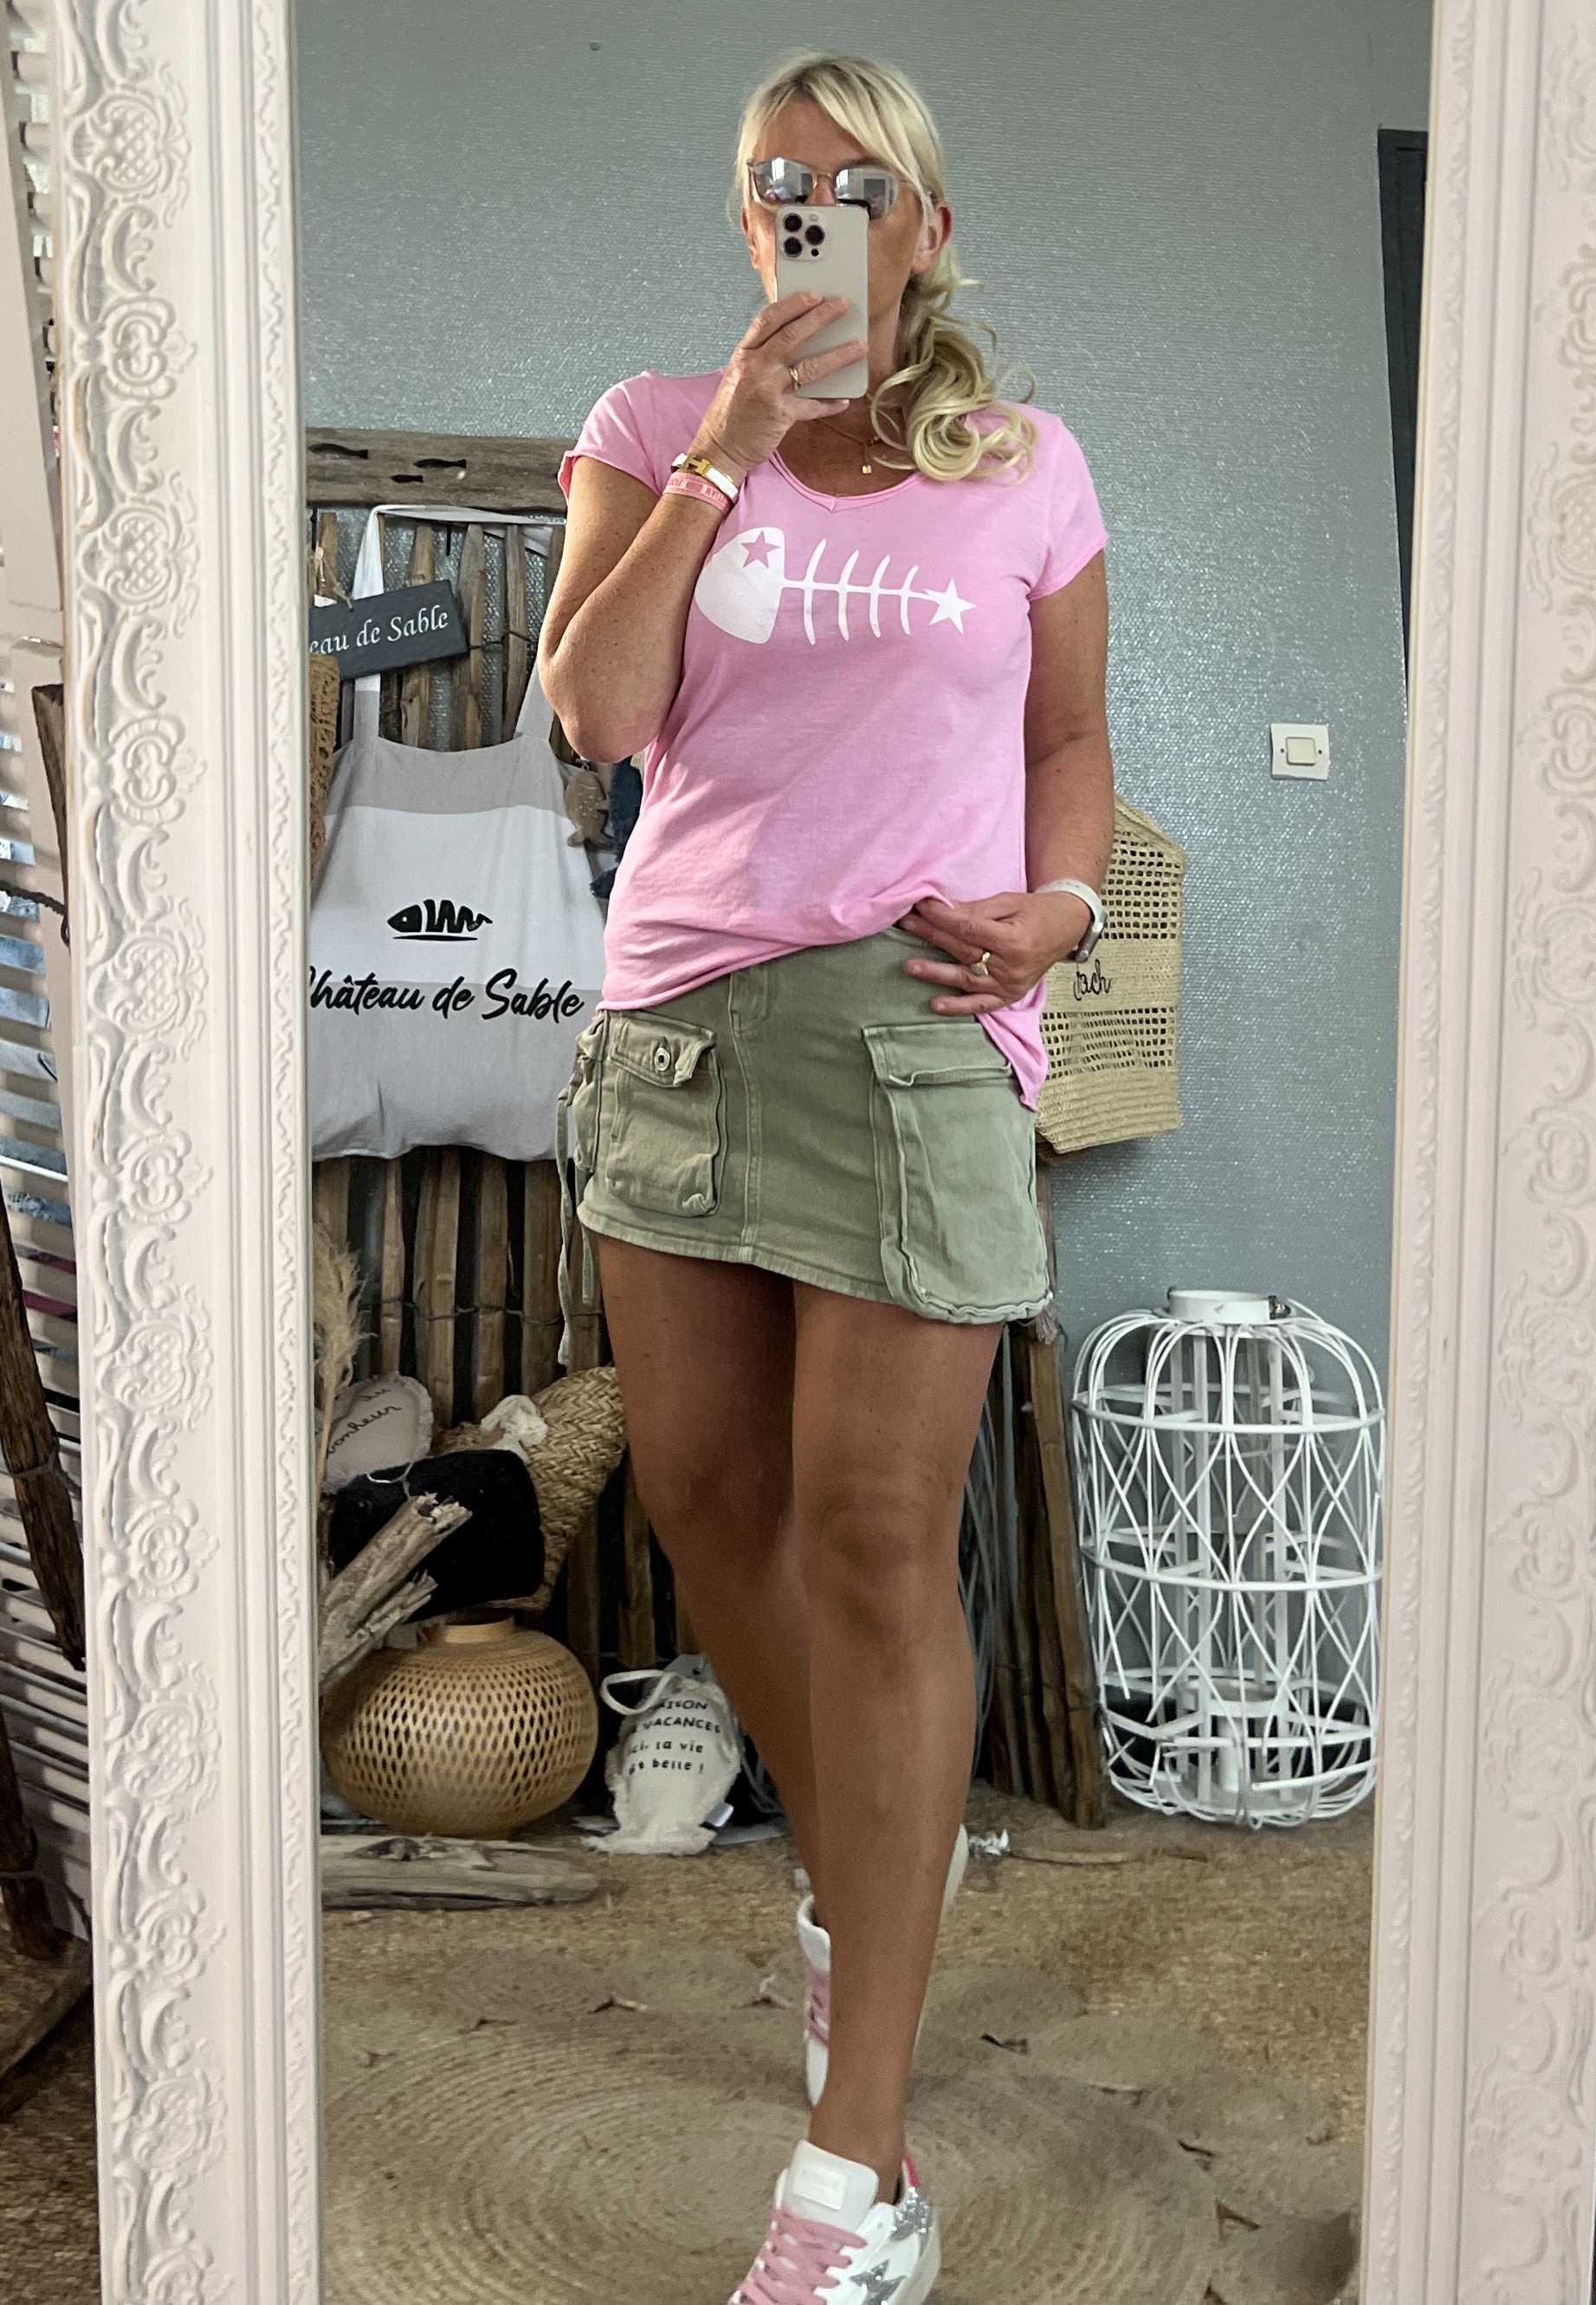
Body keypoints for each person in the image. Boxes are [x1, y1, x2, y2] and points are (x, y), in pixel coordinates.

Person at [539, 49, 1114, 2305]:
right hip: (681, 1026)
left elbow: (1067, 740)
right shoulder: (650, 424)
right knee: (709, 1507)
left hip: (916, 1029)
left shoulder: (1027, 467)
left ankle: (860, 2170)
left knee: (876, 1541)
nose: (812, 215)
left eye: (854, 187)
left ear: (927, 227)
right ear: (744, 218)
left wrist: (1064, 909)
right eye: (776, 185)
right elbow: (599, 715)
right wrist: (727, 447)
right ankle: (861, 1893)